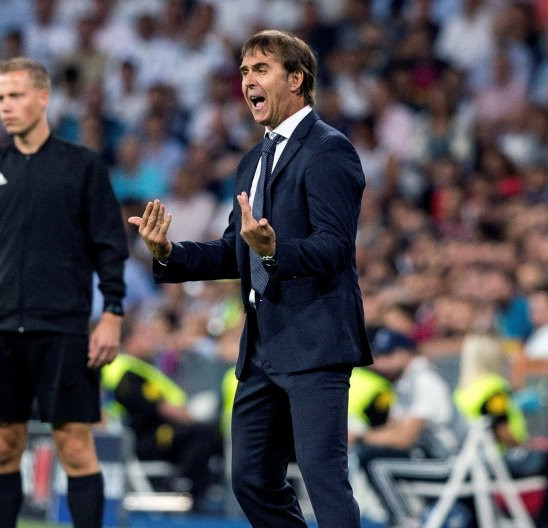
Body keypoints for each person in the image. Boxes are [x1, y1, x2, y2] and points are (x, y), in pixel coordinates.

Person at [130, 29, 371, 527]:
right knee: (251, 481)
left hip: (315, 342)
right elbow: (232, 252)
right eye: (243, 71)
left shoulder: (330, 150)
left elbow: (335, 247)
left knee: (323, 479)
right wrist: (168, 254)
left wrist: (276, 250)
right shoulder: (252, 161)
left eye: (260, 69)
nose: (247, 81)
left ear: (297, 78)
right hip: (262, 347)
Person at [0, 57, 129, 528]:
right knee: (3, 445)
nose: (5, 106)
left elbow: (110, 248)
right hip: (1, 328)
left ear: (43, 97)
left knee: (74, 443)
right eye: (1, 97)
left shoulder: (83, 166)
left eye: (16, 96)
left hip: (64, 327)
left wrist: (112, 312)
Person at [453, 334, 548, 528]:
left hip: (476, 464)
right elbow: (503, 433)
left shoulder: (463, 390)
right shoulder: (493, 390)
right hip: (502, 462)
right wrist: (527, 444)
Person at [101, 315, 220, 506]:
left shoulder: (144, 367)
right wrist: (194, 416)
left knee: (203, 433)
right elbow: (160, 408)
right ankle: (180, 486)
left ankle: (191, 487)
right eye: (145, 334)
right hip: (139, 436)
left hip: (150, 432)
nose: (152, 338)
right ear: (129, 339)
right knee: (201, 433)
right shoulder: (127, 369)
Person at [353, 328, 455, 526]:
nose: (379, 363)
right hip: (425, 454)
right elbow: (394, 429)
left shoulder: (425, 380)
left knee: (375, 463)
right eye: (378, 355)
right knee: (370, 455)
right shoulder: (405, 382)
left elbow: (404, 439)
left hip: (444, 459)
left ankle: (402, 522)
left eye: (386, 355)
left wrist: (358, 437)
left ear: (405, 353)